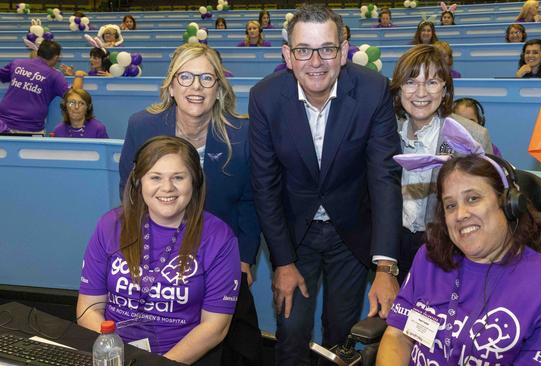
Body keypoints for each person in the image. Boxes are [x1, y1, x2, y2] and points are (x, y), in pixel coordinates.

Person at [248, 4, 402, 365]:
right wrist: (282, 262)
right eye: (303, 50)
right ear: (288, 55)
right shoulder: (265, 98)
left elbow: (384, 178)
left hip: (350, 233)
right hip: (294, 235)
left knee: (342, 333)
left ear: (344, 51)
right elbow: (265, 186)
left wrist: (385, 267)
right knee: (292, 334)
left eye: (327, 49)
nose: (315, 61)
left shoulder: (373, 91)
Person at [376, 154, 541, 365]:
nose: (460, 214)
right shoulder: (429, 259)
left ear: (508, 204)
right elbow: (397, 336)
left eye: (473, 198)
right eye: (450, 205)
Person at [78, 136, 240, 364]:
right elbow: (88, 308)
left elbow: (215, 328)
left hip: (179, 359)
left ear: (194, 181)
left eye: (178, 178)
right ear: (138, 181)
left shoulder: (219, 238)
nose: (167, 188)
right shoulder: (110, 225)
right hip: (115, 354)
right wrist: (113, 353)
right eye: (155, 177)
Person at [119, 42, 260, 289]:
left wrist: (245, 257)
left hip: (221, 255)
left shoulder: (243, 134)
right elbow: (130, 192)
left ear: (218, 89)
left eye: (207, 78)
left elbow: (251, 202)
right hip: (155, 253)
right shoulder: (142, 126)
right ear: (171, 87)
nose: (196, 86)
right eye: (185, 77)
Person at [389, 44, 493, 282]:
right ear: (398, 89)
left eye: (432, 82)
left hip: (450, 249)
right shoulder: (384, 130)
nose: (421, 93)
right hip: (393, 248)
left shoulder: (471, 135)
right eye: (411, 82)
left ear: (445, 88)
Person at [0, 40, 84, 134]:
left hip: (2, 123)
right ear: (56, 57)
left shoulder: (17, 63)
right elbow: (75, 96)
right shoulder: (55, 75)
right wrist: (79, 75)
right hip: (30, 128)